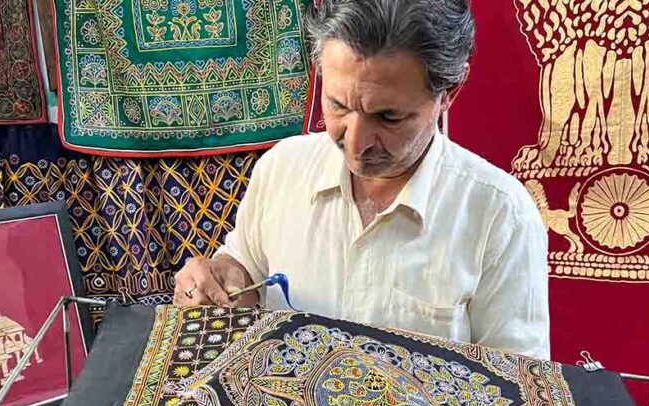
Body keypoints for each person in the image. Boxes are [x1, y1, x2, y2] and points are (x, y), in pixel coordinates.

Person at [174, 0, 550, 358]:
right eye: (338, 106)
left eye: (387, 117)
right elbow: (246, 266)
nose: (355, 143)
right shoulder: (282, 169)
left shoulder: (501, 217)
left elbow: (516, 390)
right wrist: (222, 280)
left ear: (449, 93)